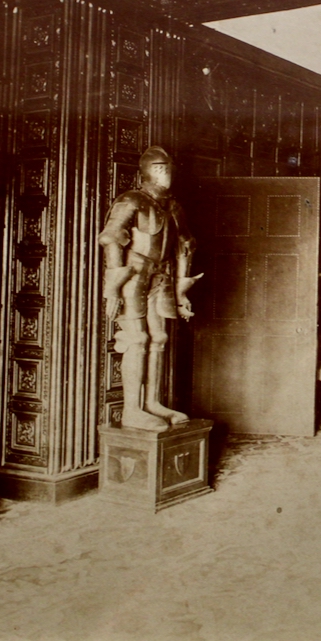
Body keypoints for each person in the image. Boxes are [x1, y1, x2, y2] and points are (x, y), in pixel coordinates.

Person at [98, 146, 203, 431]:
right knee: (137, 339)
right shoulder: (131, 199)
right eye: (158, 168)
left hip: (162, 275)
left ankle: (152, 403)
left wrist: (181, 290)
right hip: (134, 274)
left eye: (167, 168)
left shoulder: (172, 206)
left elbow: (185, 245)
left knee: (159, 338)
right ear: (147, 171)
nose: (164, 174)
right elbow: (111, 238)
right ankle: (132, 410)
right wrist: (113, 286)